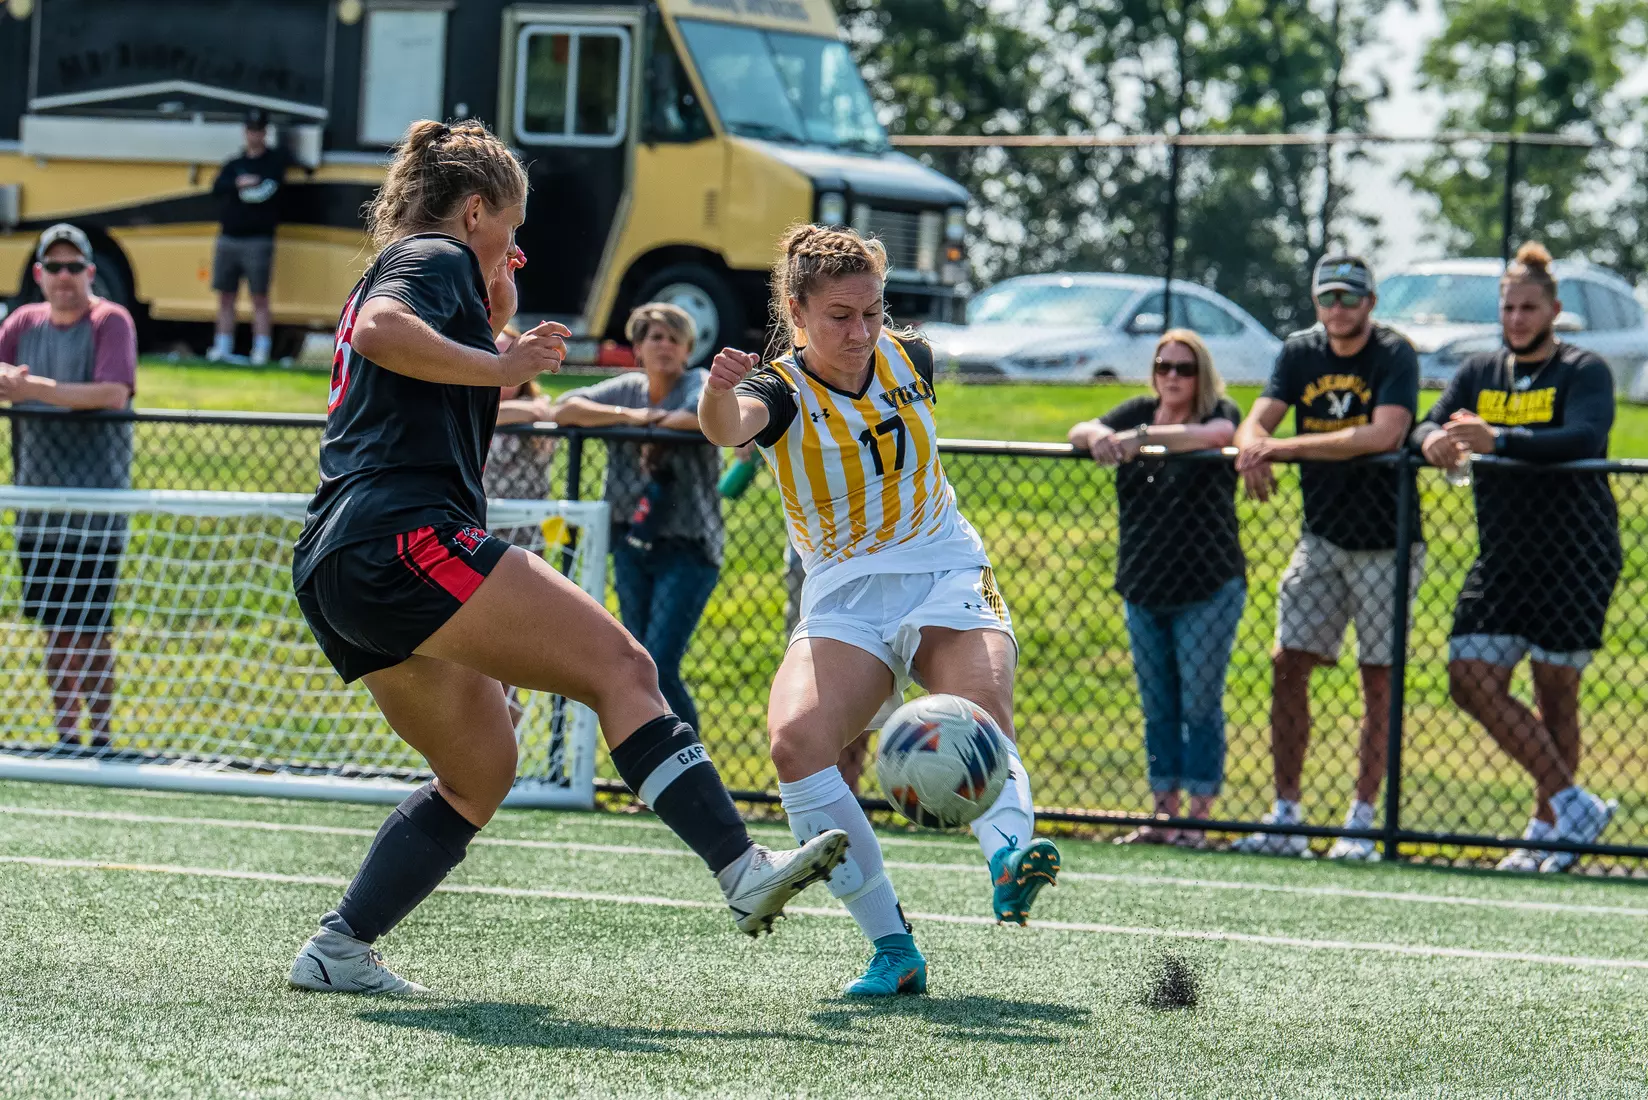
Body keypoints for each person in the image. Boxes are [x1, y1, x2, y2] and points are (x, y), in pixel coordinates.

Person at [284, 120, 847, 996]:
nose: (518, 246)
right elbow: (382, 335)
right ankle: (742, 871)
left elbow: (410, 357)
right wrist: (498, 361)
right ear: (474, 211)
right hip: (399, 535)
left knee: (481, 770)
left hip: (341, 557)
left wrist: (493, 333)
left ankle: (339, 947)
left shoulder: (420, 269)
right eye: (510, 225)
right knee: (623, 668)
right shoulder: (430, 258)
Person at [700, 224, 1060, 998]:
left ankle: (1008, 858)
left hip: (944, 569)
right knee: (797, 743)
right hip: (846, 593)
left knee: (980, 706)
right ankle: (893, 950)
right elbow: (730, 428)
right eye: (839, 316)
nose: (861, 331)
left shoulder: (913, 356)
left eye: (872, 311)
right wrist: (712, 393)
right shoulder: (779, 389)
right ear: (796, 314)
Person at [1413, 242, 1620, 873]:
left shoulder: (1584, 369)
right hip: (1502, 557)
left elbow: (1582, 437)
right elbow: (1426, 423)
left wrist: (1499, 438)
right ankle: (1573, 804)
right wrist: (1435, 446)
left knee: (1557, 694)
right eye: (1508, 307)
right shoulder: (1479, 371)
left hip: (1575, 554)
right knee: (1469, 676)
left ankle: (1547, 830)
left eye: (1529, 307)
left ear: (1554, 309)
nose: (1518, 318)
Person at [1231, 255, 1423, 860]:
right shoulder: (1298, 352)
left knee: (1378, 679)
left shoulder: (1394, 353)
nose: (1338, 308)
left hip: (1387, 542)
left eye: (1350, 297)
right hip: (1321, 537)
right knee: (1288, 662)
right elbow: (1252, 423)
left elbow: (1382, 433)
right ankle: (1286, 813)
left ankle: (1362, 821)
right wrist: (1252, 452)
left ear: (1370, 302)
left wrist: (1277, 447)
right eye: (1328, 297)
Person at [1068, 330, 1244, 848]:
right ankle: (1163, 814)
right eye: (1164, 366)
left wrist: (1139, 439)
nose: (1172, 376)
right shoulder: (1139, 410)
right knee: (1158, 705)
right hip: (1143, 584)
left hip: (1207, 584)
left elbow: (1215, 435)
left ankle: (1199, 817)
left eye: (1184, 369)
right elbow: (1082, 427)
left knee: (1199, 704)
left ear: (1201, 375)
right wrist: (1099, 437)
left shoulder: (1218, 410)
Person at [549, 303, 722, 733]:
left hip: (688, 546)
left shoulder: (697, 384)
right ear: (638, 348)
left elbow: (706, 416)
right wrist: (635, 418)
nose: (663, 346)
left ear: (688, 350)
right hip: (629, 542)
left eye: (673, 339)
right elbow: (565, 408)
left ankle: (692, 771)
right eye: (654, 337)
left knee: (660, 662)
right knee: (635, 665)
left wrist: (659, 423)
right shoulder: (627, 389)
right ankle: (654, 769)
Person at [0, 223, 138, 750]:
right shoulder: (21, 321)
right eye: (53, 267)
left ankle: (101, 737)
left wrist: (32, 387)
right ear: (38, 274)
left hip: (94, 506)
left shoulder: (111, 321)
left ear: (90, 272)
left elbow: (110, 392)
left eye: (72, 266)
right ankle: (66, 737)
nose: (63, 277)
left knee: (90, 627)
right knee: (55, 629)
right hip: (37, 506)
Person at [207, 109, 306, 365]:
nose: (255, 135)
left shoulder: (273, 162)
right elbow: (217, 187)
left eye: (259, 130)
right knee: (225, 296)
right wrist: (240, 183)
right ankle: (222, 346)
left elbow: (274, 187)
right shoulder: (234, 164)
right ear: (245, 132)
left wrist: (252, 182)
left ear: (265, 133)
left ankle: (261, 350)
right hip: (229, 237)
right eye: (251, 130)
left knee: (259, 296)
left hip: (258, 240)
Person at [487, 323, 558, 551]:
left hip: (525, 526)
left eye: (509, 355)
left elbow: (540, 411)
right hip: (478, 521)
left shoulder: (535, 407)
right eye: (493, 355)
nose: (502, 364)